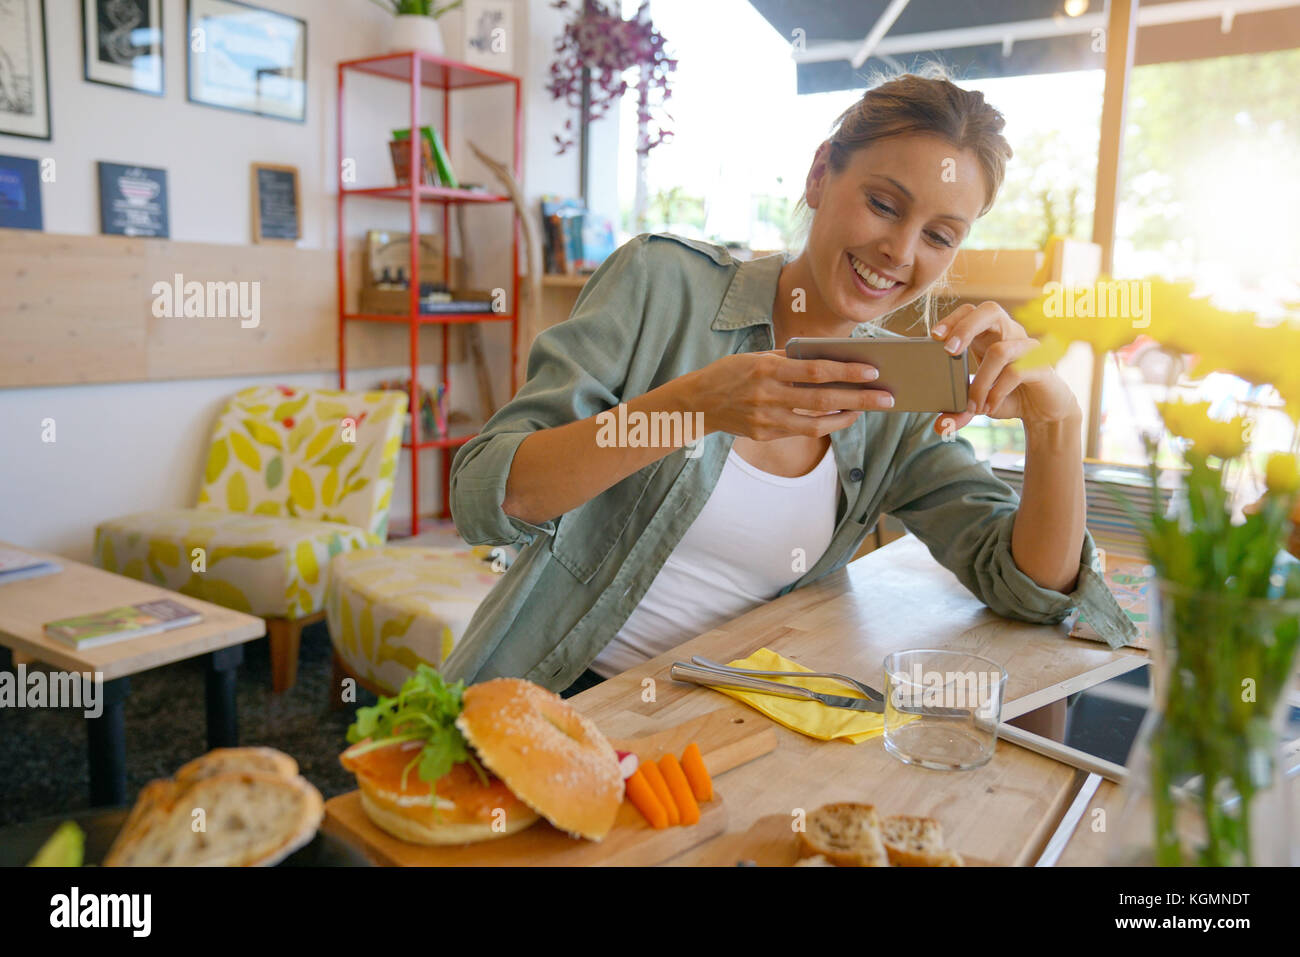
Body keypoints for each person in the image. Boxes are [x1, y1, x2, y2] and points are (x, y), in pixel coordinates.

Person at [444, 71, 1137, 698]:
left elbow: (1026, 587)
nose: (900, 251)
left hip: (734, 724)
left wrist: (1057, 422)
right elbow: (492, 493)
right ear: (818, 175)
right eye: (884, 203)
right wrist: (694, 406)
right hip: (558, 693)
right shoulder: (662, 283)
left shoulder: (896, 397)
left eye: (939, 235)